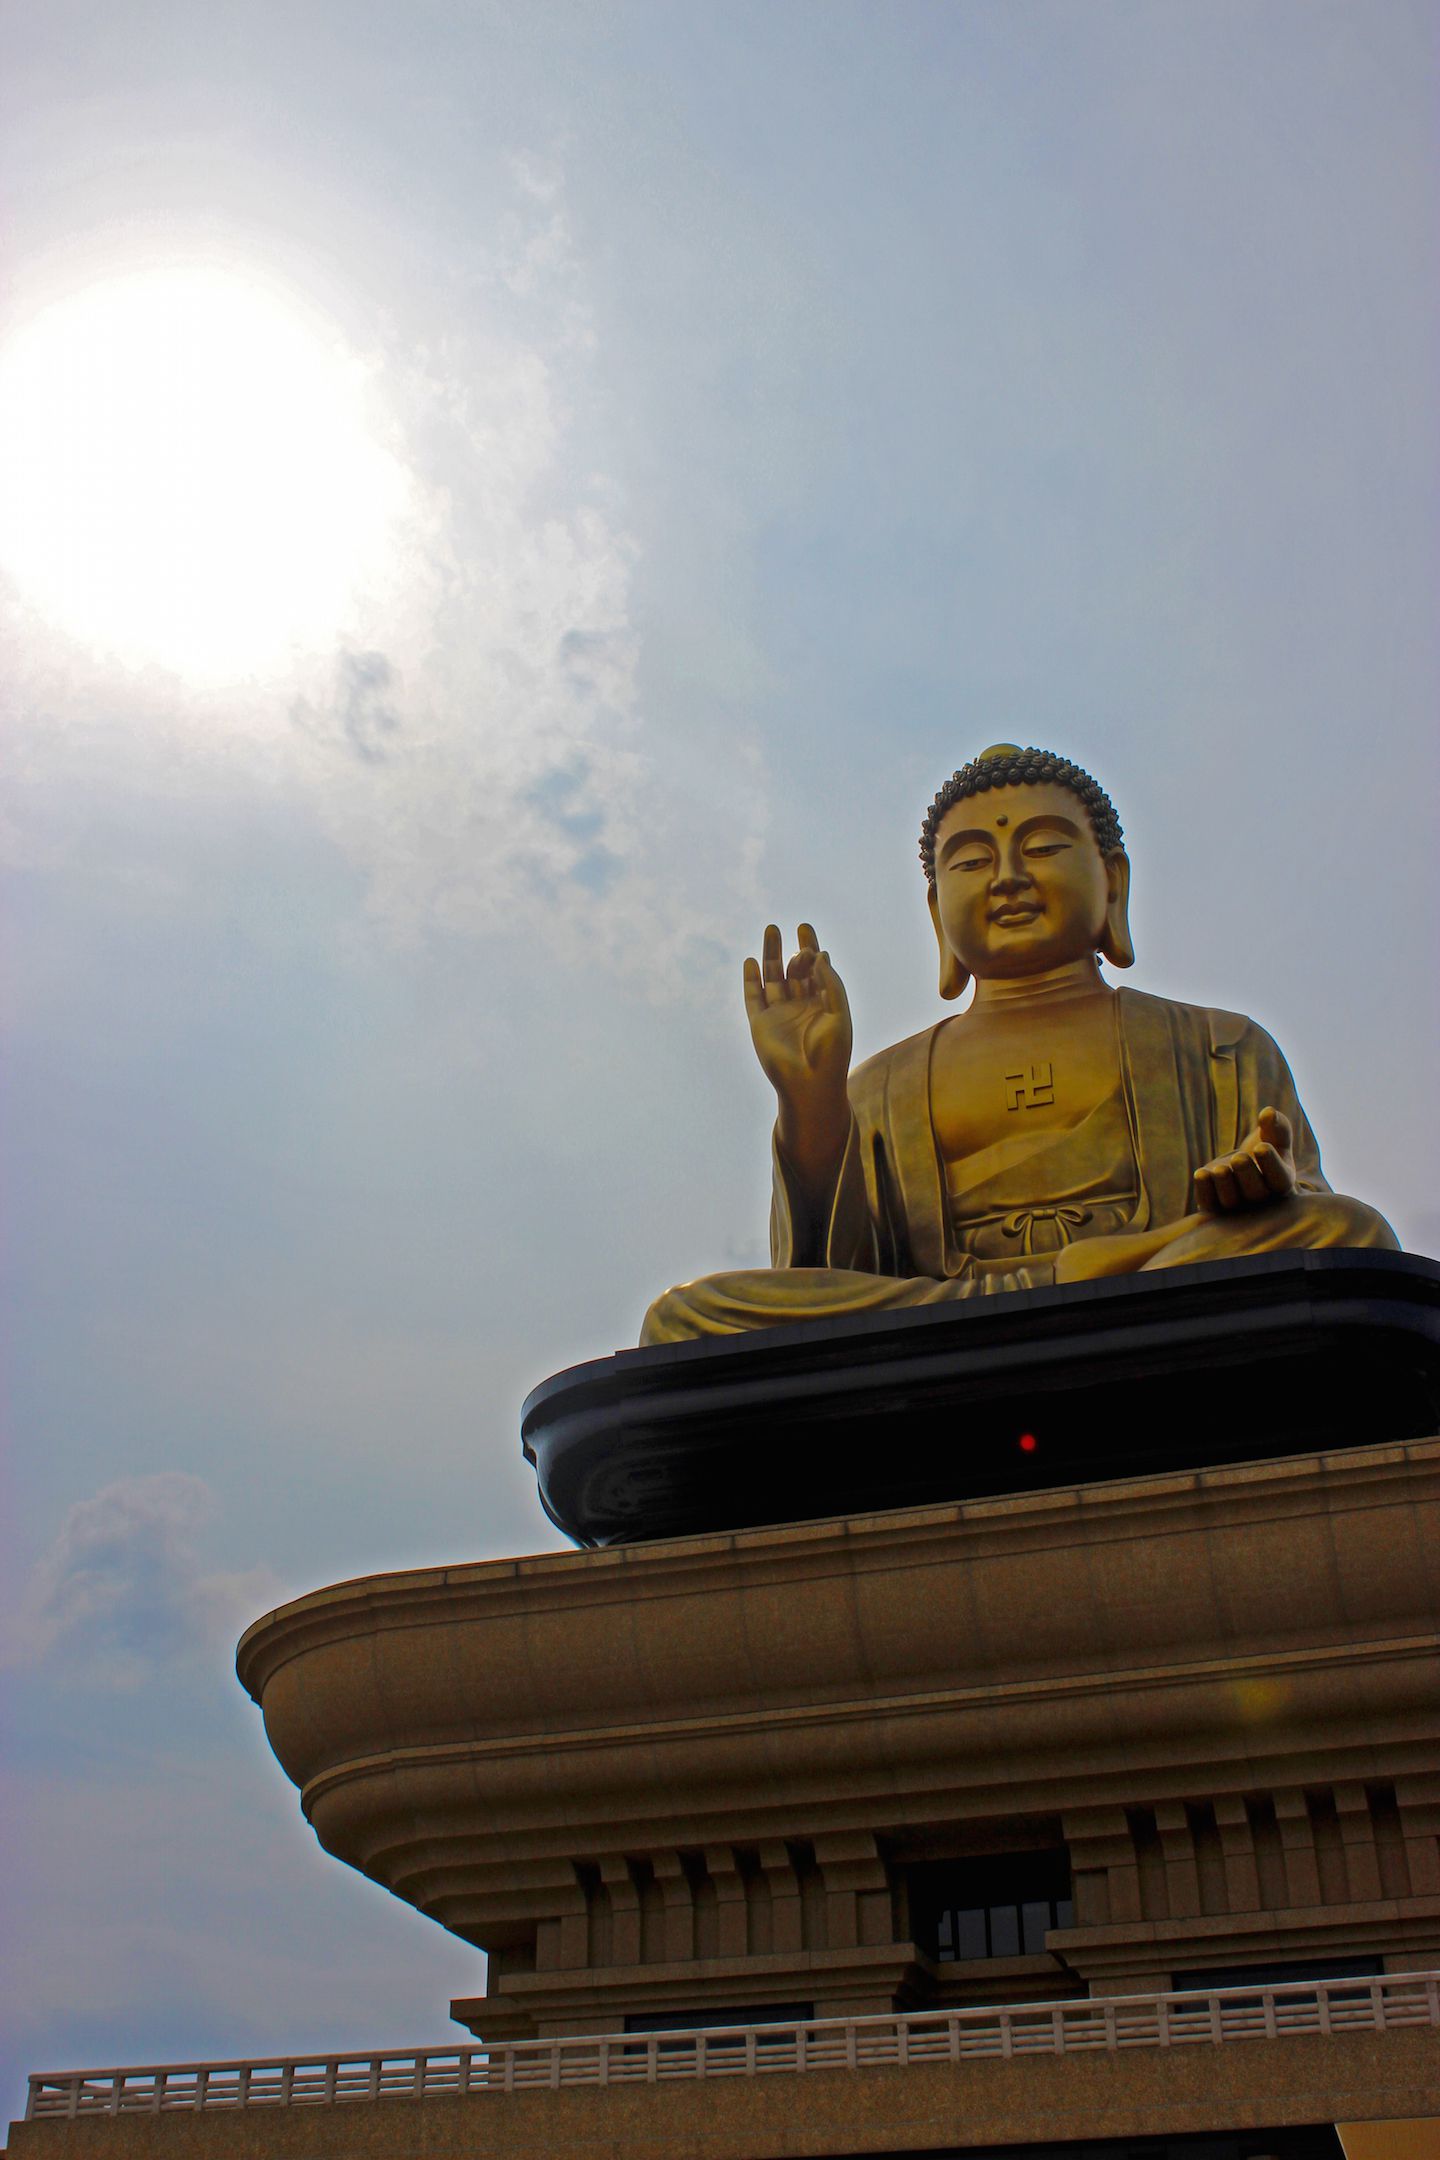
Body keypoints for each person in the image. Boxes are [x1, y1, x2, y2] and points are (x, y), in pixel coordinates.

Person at [642, 744, 1396, 1344]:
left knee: (1349, 1232)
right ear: (937, 910)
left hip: (1164, 1277)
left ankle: (1109, 1273)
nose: (1006, 878)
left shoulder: (1218, 1044)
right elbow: (830, 1274)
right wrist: (810, 1103)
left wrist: (1260, 1186)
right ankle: (1092, 1280)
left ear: (1113, 881)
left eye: (1042, 848)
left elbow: (1306, 1208)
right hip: (938, 1311)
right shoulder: (879, 1083)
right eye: (970, 862)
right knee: (685, 1320)